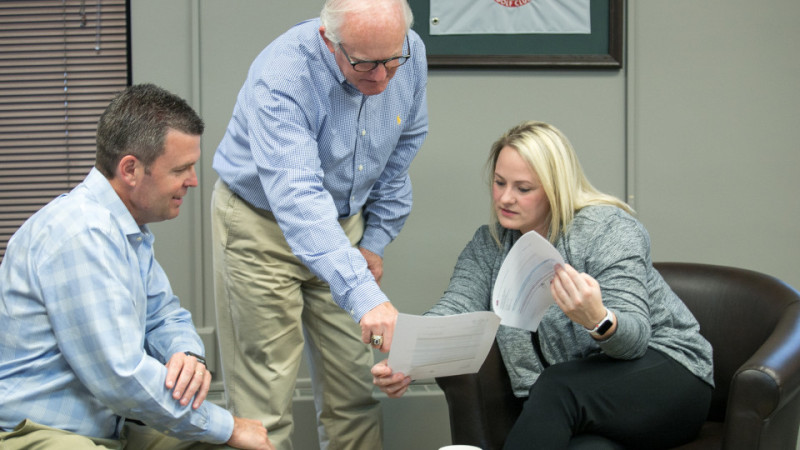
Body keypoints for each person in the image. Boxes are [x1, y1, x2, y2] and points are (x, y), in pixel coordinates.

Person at [372, 121, 714, 449]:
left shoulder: (606, 230)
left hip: (671, 379)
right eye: (499, 182)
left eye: (523, 188)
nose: (505, 199)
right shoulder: (490, 244)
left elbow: (635, 340)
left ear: (555, 188)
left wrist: (599, 319)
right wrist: (408, 358)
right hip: (582, 405)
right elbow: (456, 307)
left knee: (557, 386)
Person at [0, 84, 274, 450]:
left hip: (106, 428)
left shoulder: (127, 232)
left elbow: (164, 316)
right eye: (182, 169)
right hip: (37, 433)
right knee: (224, 435)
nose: (193, 180)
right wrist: (228, 426)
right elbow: (120, 375)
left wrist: (186, 354)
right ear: (130, 169)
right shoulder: (80, 233)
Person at [210, 0, 427, 448]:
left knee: (353, 390)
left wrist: (374, 240)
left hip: (343, 224)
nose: (383, 77)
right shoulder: (284, 75)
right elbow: (298, 197)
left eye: (392, 61)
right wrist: (365, 295)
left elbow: (401, 148)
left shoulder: (409, 51)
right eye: (366, 64)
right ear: (330, 41)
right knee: (264, 402)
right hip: (260, 226)